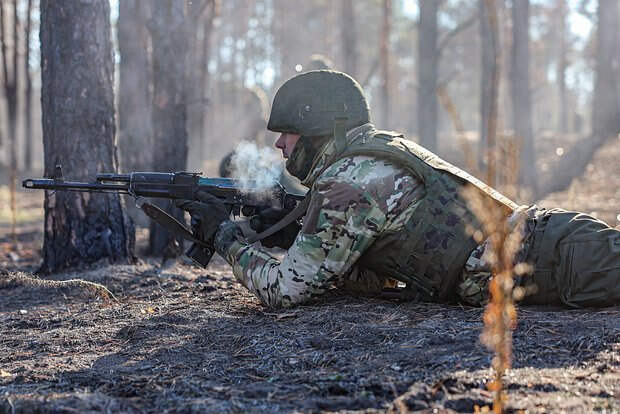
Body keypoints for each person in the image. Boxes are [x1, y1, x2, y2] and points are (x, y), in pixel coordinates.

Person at [177, 70, 620, 309]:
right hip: (548, 254)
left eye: (288, 133)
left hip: (560, 260)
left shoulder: (349, 180)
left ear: (315, 130)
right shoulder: (366, 159)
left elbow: (283, 292)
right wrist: (295, 235)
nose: (279, 145)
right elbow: (379, 275)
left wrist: (227, 239)